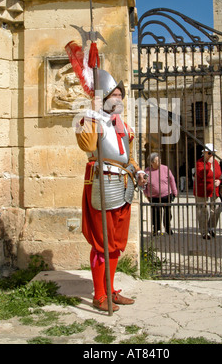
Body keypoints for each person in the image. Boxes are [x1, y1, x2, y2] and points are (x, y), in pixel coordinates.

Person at [76, 69, 147, 312]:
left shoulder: (123, 126)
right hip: (102, 184)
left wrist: (138, 172)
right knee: (102, 243)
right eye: (114, 94)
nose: (119, 98)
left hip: (124, 186)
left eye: (120, 95)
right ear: (103, 97)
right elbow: (86, 146)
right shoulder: (90, 121)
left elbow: (127, 157)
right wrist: (89, 117)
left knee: (115, 243)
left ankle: (110, 289)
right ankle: (99, 295)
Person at [193, 143, 222, 239]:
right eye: (209, 153)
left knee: (217, 208)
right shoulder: (200, 163)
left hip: (214, 190)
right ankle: (204, 231)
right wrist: (209, 163)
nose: (211, 155)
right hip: (203, 191)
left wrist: (219, 181)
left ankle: (211, 228)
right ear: (204, 153)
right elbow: (204, 174)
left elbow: (219, 174)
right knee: (203, 211)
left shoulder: (216, 163)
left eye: (213, 153)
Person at [144, 153, 178, 235]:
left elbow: (172, 180)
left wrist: (174, 192)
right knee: (155, 213)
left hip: (166, 195)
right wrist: (146, 193)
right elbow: (143, 184)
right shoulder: (147, 171)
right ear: (152, 162)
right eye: (157, 160)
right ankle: (156, 228)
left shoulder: (165, 168)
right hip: (154, 196)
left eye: (159, 160)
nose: (159, 162)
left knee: (167, 213)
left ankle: (167, 227)